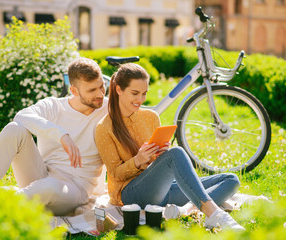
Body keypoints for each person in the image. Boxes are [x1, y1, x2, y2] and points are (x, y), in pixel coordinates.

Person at [95, 63, 245, 230]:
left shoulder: (151, 117)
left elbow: (156, 164)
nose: (141, 99)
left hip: (161, 190)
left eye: (144, 93)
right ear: (118, 90)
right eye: (135, 93)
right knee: (176, 153)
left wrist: (160, 155)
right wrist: (137, 161)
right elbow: (114, 174)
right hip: (130, 194)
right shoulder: (104, 128)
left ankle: (187, 210)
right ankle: (215, 215)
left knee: (231, 180)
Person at [0, 58, 108, 216]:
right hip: (41, 174)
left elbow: (138, 112)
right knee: (14, 129)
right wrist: (61, 135)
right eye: (92, 90)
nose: (100, 94)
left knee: (49, 187)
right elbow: (22, 116)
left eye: (102, 86)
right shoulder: (54, 106)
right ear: (74, 91)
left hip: (75, 189)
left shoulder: (108, 107)